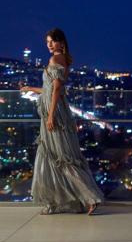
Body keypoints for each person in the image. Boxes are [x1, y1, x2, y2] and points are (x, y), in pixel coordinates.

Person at [20, 28, 105, 215]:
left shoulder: (55, 60)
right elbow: (49, 89)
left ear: (61, 42)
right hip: (57, 110)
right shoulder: (63, 60)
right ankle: (64, 201)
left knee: (59, 157)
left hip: (55, 112)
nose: (49, 45)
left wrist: (50, 116)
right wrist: (30, 88)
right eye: (47, 41)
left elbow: (56, 90)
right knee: (60, 156)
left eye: (52, 41)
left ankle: (89, 198)